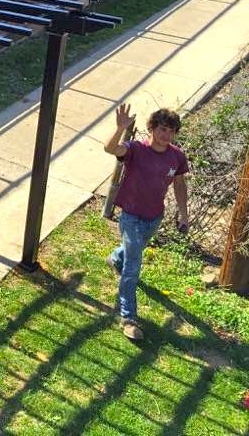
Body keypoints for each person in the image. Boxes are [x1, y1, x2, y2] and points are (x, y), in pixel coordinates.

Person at [103, 104, 189, 341]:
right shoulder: (135, 150)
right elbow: (110, 148)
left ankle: (115, 257)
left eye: (171, 131)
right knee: (133, 266)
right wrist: (120, 128)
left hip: (154, 217)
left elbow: (180, 185)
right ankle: (128, 318)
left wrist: (183, 214)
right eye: (162, 129)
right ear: (152, 128)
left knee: (132, 252)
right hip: (130, 215)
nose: (166, 135)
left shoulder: (177, 157)